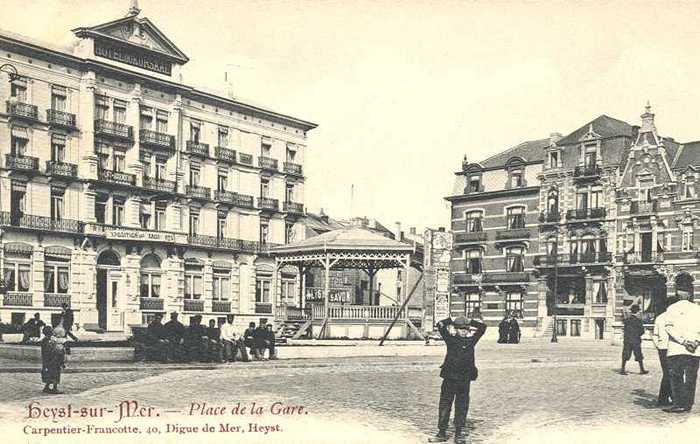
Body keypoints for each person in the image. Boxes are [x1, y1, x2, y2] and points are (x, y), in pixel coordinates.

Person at [429, 315, 487, 443]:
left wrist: (469, 321)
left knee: (462, 405)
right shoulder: (450, 339)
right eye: (461, 328)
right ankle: (441, 433)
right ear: (455, 329)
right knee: (445, 404)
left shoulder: (471, 341)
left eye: (466, 329)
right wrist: (451, 319)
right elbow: (440, 325)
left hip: (464, 379)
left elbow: (483, 327)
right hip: (450, 378)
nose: (464, 331)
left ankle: (459, 433)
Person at [664, 291, 700, 413]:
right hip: (695, 350)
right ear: (689, 295)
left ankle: (679, 403)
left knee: (676, 376)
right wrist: (695, 342)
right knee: (691, 377)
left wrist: (683, 342)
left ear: (677, 296)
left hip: (676, 348)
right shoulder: (697, 309)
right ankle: (688, 404)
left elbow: (669, 328)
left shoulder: (671, 308)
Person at [652, 297, 678, 406]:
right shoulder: (676, 318)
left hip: (662, 348)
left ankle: (669, 397)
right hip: (673, 348)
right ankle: (665, 398)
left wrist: (658, 346)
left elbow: (654, 335)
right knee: (671, 373)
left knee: (668, 373)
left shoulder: (659, 318)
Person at [620, 305, 648, 375]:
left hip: (627, 340)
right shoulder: (639, 321)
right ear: (637, 312)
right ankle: (642, 369)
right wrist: (637, 335)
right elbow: (642, 331)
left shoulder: (627, 320)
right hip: (636, 340)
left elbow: (624, 329)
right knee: (639, 355)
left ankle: (622, 369)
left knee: (625, 355)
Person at [40, 325, 66, 394]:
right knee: (55, 374)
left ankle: (46, 387)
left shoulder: (46, 340)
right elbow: (51, 350)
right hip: (53, 360)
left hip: (49, 360)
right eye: (51, 331)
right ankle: (54, 388)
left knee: (50, 374)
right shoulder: (48, 340)